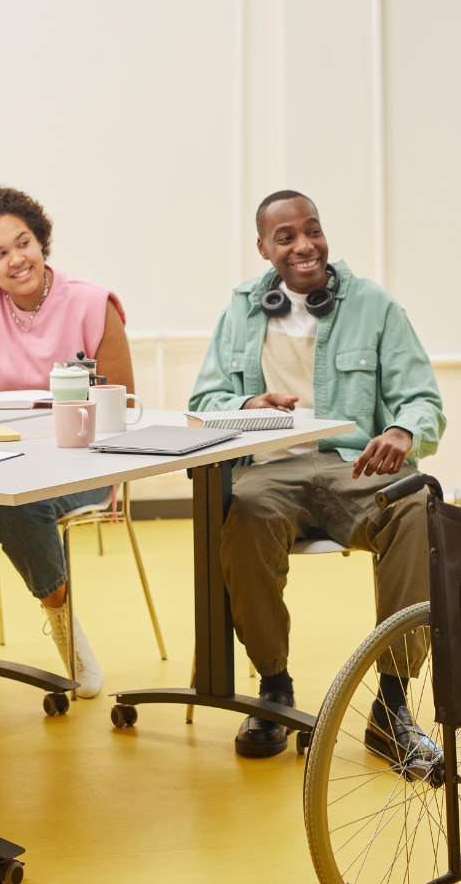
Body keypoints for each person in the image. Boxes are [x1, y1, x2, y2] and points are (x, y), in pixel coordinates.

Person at [189, 190, 446, 758]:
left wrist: (403, 431)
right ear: (263, 248)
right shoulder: (240, 309)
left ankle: (393, 703)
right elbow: (205, 399)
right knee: (243, 513)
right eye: (286, 237)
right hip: (270, 469)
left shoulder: (374, 305)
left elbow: (423, 400)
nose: (305, 245)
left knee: (416, 510)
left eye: (313, 230)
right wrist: (247, 405)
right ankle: (274, 691)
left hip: (351, 464)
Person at [0, 187, 136, 698]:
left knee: (15, 506)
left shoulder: (90, 303)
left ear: (41, 242)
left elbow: (123, 408)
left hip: (85, 468)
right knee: (8, 495)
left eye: (23, 243)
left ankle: (66, 631)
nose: (16, 260)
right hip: (10, 464)